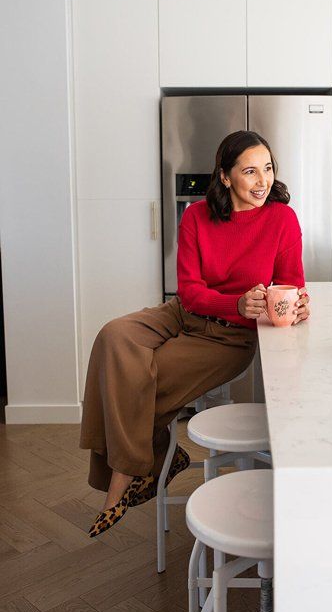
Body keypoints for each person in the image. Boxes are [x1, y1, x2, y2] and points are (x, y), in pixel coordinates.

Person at [80, 130, 310, 536]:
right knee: (113, 336)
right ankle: (154, 458)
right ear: (225, 177)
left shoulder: (282, 218)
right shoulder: (196, 216)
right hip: (183, 313)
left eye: (268, 169)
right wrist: (234, 301)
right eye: (250, 171)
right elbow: (190, 291)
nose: (263, 182)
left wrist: (299, 304)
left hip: (229, 338)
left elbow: (291, 283)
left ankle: (121, 482)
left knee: (136, 381)